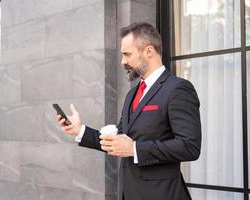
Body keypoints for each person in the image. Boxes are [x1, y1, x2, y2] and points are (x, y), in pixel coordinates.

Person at [56, 22, 201, 200]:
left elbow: (189, 147)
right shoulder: (133, 93)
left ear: (149, 51)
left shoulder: (178, 89)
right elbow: (119, 139)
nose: (123, 61)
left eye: (127, 54)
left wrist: (134, 148)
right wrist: (80, 131)